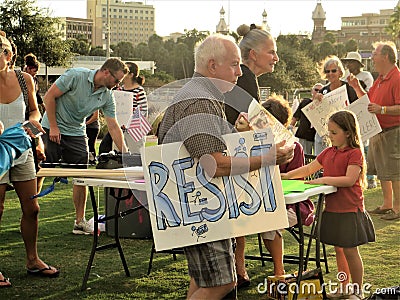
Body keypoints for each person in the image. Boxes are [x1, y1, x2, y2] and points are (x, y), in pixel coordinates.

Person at [157, 34, 294, 300]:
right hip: (201, 207)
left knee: (204, 280)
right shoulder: (199, 100)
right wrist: (268, 158)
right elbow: (214, 164)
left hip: (197, 206)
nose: (239, 72)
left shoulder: (202, 96)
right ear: (212, 66)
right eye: (234, 65)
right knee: (222, 284)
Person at [282, 110, 375, 300]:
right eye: (329, 132)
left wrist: (323, 180)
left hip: (350, 210)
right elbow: (309, 169)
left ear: (348, 132)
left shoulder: (355, 153)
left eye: (334, 133)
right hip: (332, 210)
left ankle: (358, 291)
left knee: (350, 250)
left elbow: (349, 180)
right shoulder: (328, 152)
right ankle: (344, 286)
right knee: (339, 249)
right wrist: (286, 175)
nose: (330, 137)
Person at [41, 58, 129, 234]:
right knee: (40, 171)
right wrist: (54, 126)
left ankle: (79, 221)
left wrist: (126, 153)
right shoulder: (75, 76)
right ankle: (30, 213)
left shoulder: (107, 95)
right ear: (106, 72)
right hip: (51, 127)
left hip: (76, 133)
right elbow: (49, 96)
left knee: (82, 175)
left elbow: (112, 125)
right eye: (117, 80)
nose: (118, 85)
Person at [223, 23, 280, 288]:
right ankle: (237, 269)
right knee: (238, 214)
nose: (276, 58)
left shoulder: (247, 78)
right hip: (231, 156)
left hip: (233, 153)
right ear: (254, 54)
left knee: (238, 216)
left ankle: (239, 269)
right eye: (271, 52)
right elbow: (249, 123)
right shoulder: (245, 78)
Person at [0, 31, 59, 282]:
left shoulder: (25, 80)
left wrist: (35, 138)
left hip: (22, 150)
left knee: (32, 208)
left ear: (8, 55)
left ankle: (33, 260)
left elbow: (35, 113)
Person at [348, 41, 400, 221]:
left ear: (386, 56)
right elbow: (368, 102)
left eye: (375, 53)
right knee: (383, 171)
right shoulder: (381, 78)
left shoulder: (397, 78)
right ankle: (387, 204)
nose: (372, 57)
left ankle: (398, 208)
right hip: (379, 130)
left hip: (393, 131)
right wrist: (356, 87)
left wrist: (383, 110)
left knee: (394, 171)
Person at [342, 51, 377, 189]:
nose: (349, 64)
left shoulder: (366, 76)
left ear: (357, 64)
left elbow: (369, 94)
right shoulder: (345, 77)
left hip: (363, 112)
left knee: (365, 144)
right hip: (350, 113)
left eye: (351, 61)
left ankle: (370, 177)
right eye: (348, 62)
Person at [99, 61, 147, 155]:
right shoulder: (119, 90)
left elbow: (143, 112)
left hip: (135, 130)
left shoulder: (139, 91)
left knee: (136, 154)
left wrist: (130, 122)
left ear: (131, 75)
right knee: (117, 153)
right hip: (120, 128)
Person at [314, 55, 358, 155]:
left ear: (340, 72)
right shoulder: (323, 91)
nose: (330, 74)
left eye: (333, 71)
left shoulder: (349, 88)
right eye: (327, 71)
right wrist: (315, 102)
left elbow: (357, 109)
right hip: (328, 135)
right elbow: (315, 115)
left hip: (346, 136)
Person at [290, 83, 323, 155]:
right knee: (303, 155)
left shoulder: (324, 104)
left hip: (316, 135)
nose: (317, 92)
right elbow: (296, 116)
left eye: (320, 91)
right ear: (312, 91)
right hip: (303, 133)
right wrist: (290, 128)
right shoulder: (305, 102)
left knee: (317, 156)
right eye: (316, 90)